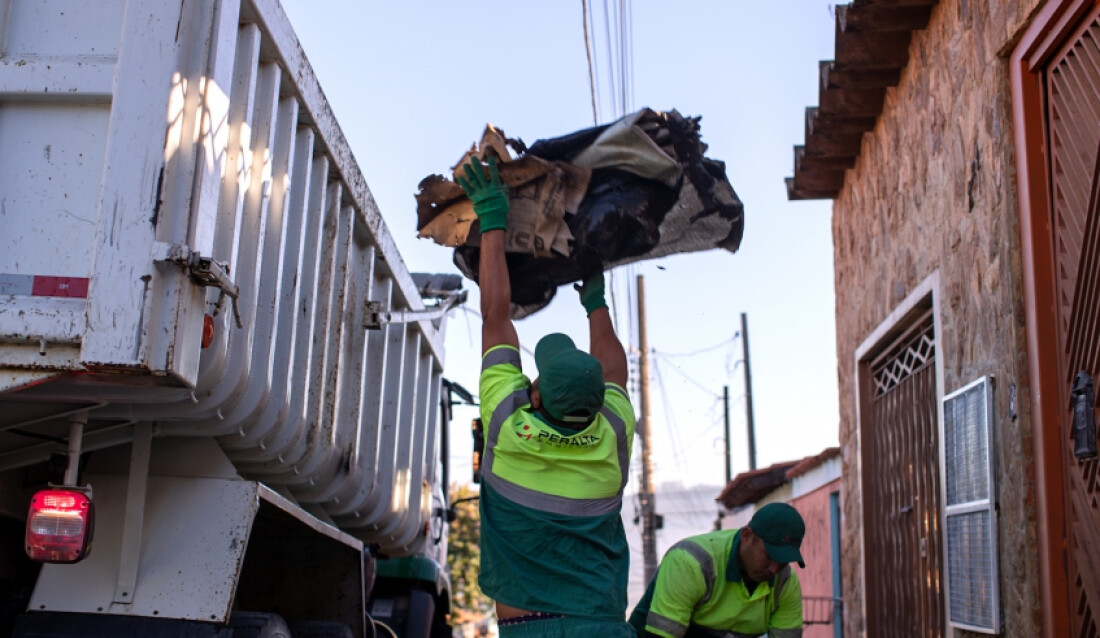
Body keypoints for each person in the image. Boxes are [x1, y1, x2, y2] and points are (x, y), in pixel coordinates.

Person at [457, 155, 636, 637]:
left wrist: (493, 219)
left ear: (534, 396)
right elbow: (615, 367)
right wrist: (595, 298)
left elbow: (497, 315)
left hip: (529, 629)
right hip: (602, 627)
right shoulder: (611, 436)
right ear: (599, 401)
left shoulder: (507, 426)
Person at [629, 502, 807, 638]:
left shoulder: (786, 583)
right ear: (746, 536)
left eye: (783, 561)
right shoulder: (690, 563)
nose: (775, 569)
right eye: (769, 556)